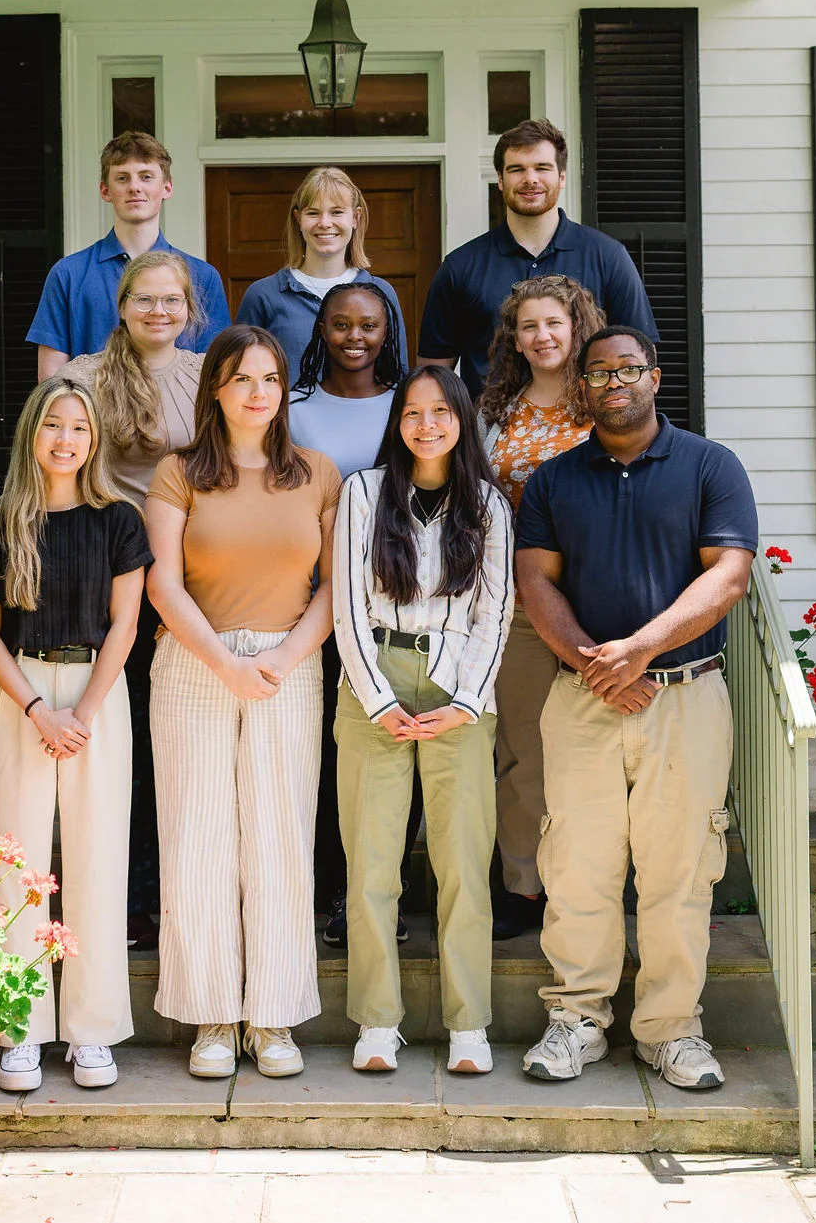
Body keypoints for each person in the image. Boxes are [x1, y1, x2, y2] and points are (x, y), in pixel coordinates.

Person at [516, 327, 757, 1091]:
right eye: (598, 372)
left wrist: (640, 650)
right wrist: (598, 661)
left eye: (627, 368)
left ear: (654, 375)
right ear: (581, 386)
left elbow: (727, 577)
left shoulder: (710, 466)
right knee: (577, 863)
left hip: (685, 697)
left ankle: (670, 1030)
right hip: (582, 696)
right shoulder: (555, 480)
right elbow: (535, 582)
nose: (613, 381)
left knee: (679, 867)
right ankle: (579, 1019)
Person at [146, 325, 340, 1081]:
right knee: (198, 837)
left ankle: (275, 1015)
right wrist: (226, 660)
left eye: (269, 377)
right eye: (240, 378)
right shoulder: (179, 473)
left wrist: (285, 656)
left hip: (290, 665)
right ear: (216, 391)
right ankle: (213, 1017)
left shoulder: (316, 473)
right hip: (197, 661)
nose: (257, 391)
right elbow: (163, 584)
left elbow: (333, 585)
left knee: (279, 836)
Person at [0, 377, 152, 1095]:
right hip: (22, 693)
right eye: (52, 425)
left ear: (94, 438)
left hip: (98, 695)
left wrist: (83, 710)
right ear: (32, 436)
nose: (66, 438)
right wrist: (40, 707)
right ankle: (19, 1026)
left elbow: (126, 624)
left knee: (97, 859)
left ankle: (92, 1029)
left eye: (78, 426)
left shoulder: (118, 520)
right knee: (14, 862)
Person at [333, 367, 513, 1076]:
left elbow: (495, 610)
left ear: (462, 418)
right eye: (413, 411)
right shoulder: (362, 494)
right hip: (372, 675)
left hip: (459, 683)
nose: (427, 424)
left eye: (441, 411)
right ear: (398, 420)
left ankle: (469, 1023)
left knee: (463, 864)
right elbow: (345, 603)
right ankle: (377, 1020)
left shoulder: (489, 505)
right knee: (372, 862)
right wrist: (378, 698)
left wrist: (464, 700)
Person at [65, 250, 203, 952]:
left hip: (188, 578)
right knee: (120, 739)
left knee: (173, 741)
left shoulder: (210, 375)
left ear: (190, 307)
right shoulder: (82, 377)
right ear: (121, 306)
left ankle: (178, 891)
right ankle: (122, 899)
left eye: (171, 301)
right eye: (144, 299)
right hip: (107, 575)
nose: (158, 311)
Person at [477, 276, 605, 942]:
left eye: (554, 322)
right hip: (519, 604)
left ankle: (591, 881)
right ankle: (523, 884)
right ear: (514, 337)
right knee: (521, 746)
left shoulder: (605, 403)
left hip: (596, 602)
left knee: (596, 747)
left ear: (576, 325)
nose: (543, 336)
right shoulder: (496, 410)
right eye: (528, 326)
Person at [288, 281, 408, 939]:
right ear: (322, 331)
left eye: (368, 325)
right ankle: (333, 892)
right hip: (314, 604)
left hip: (397, 603)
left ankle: (382, 892)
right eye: (340, 324)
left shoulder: (405, 405)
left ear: (387, 330)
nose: (354, 337)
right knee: (330, 754)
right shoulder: (295, 408)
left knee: (387, 753)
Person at [418, 118, 657, 402]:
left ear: (562, 176)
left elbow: (640, 359)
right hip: (489, 436)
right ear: (500, 179)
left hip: (589, 432)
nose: (530, 179)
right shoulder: (460, 267)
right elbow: (433, 373)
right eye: (517, 169)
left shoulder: (608, 257)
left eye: (542, 168)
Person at [27, 130, 230, 379]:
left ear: (166, 187)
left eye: (146, 177)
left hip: (179, 415)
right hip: (93, 414)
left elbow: (216, 372)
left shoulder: (202, 276)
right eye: (122, 178)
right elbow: (51, 381)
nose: (134, 187)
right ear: (105, 190)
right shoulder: (68, 274)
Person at [236, 166, 408, 385]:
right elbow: (240, 375)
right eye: (313, 212)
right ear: (298, 219)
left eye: (337, 212)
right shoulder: (264, 295)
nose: (325, 223)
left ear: (355, 217)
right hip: (287, 419)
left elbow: (397, 376)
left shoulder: (381, 293)